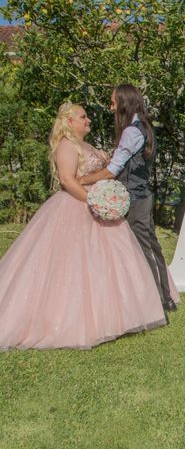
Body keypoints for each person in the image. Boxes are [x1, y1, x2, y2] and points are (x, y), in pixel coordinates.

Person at [0, 102, 168, 350]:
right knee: (73, 266)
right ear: (69, 122)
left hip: (98, 205)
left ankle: (113, 318)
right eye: (83, 116)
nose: (88, 120)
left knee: (108, 264)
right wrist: (93, 200)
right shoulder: (66, 146)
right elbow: (68, 181)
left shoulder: (85, 145)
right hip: (76, 206)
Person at [79, 84, 178, 312]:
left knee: (144, 248)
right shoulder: (145, 127)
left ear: (124, 103)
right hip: (142, 195)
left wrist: (83, 180)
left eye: (113, 103)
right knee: (151, 246)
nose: (111, 108)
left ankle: (159, 300)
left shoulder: (132, 132)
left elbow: (113, 170)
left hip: (134, 197)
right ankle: (165, 297)